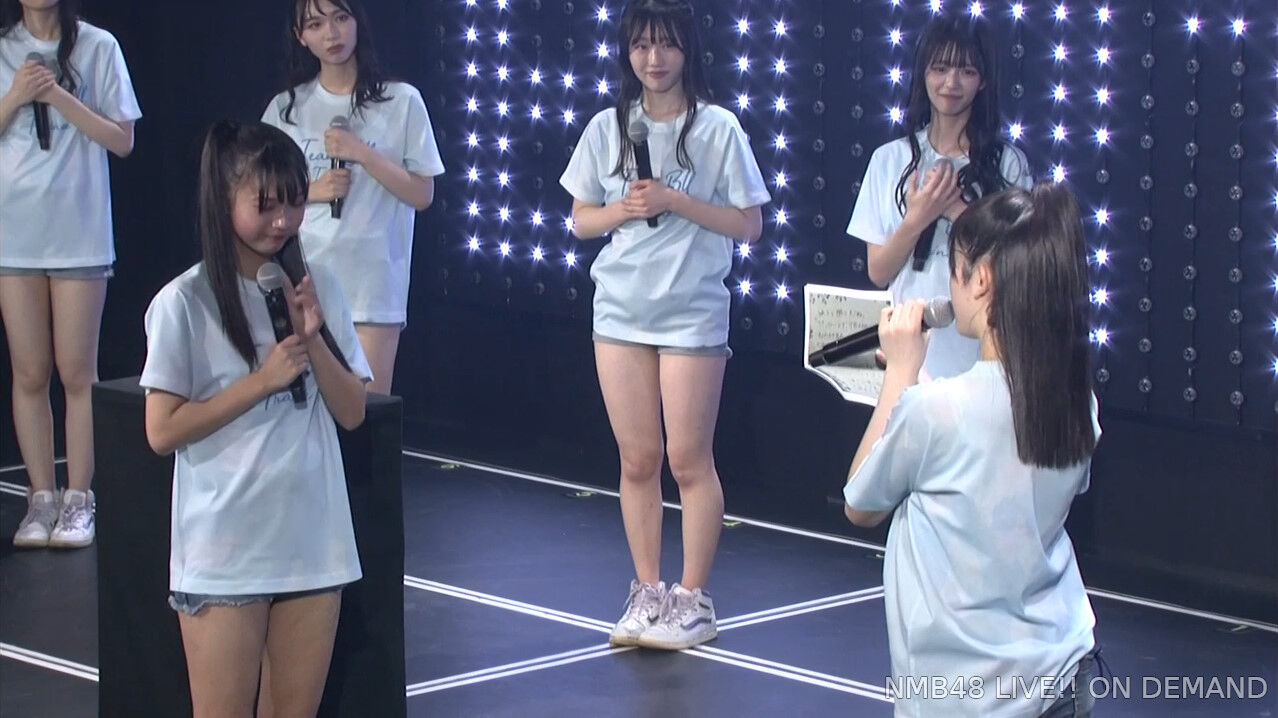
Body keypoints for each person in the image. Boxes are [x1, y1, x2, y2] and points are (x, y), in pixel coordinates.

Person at [140, 120, 371, 716]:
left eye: (294, 203)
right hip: (225, 551)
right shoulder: (183, 302)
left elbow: (352, 412)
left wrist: (312, 338)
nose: (284, 221)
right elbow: (162, 430)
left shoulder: (319, 286)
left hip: (313, 540)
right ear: (224, 202)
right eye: (266, 206)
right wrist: (261, 382)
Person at [560, 0, 770, 650]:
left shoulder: (718, 127)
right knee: (638, 458)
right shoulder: (607, 126)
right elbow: (581, 220)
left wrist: (677, 200)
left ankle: (692, 598)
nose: (654, 59)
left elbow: (749, 224)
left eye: (667, 44)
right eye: (642, 45)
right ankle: (646, 591)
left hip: (692, 311)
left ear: (688, 50)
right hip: (620, 309)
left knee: (687, 460)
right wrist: (624, 209)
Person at [845, 183, 1100, 717]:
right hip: (1059, 672)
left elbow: (861, 503)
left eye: (954, 269)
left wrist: (901, 374)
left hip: (966, 693)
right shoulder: (1076, 401)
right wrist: (918, 391)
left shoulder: (937, 410)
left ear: (981, 279)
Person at [0, 0, 140, 548]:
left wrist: (57, 95)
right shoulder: (5, 48)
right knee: (29, 371)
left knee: (77, 371)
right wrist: (17, 95)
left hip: (78, 229)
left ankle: (79, 498)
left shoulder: (98, 46)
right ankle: (41, 498)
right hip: (15, 233)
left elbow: (122, 139)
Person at [263, 0, 444, 395]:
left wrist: (361, 153)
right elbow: (260, 197)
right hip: (303, 280)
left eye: (340, 18)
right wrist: (312, 191)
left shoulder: (401, 101)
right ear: (300, 37)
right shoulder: (285, 109)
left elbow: (422, 193)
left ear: (357, 22)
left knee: (368, 412)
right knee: (301, 411)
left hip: (372, 286)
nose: (331, 33)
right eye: (315, 24)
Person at [846, 11, 1030, 381]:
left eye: (967, 71)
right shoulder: (889, 159)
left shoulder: (1008, 164)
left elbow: (1017, 265)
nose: (951, 83)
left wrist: (956, 210)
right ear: (924, 74)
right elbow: (878, 272)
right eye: (940, 68)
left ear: (983, 80)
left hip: (981, 361)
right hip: (907, 355)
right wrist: (917, 218)